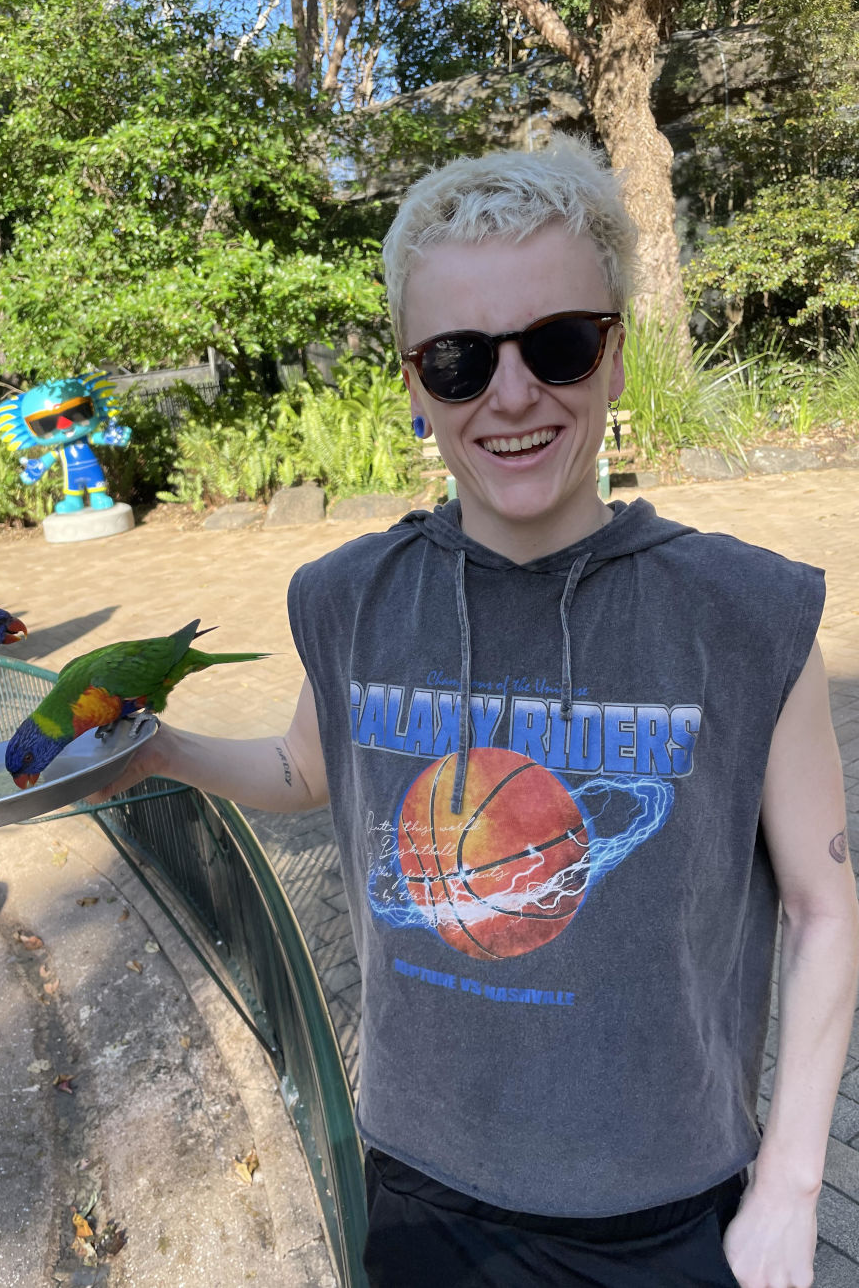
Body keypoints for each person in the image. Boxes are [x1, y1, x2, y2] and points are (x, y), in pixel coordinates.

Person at [92, 139, 859, 1288]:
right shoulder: (348, 597)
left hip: (660, 1210)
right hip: (419, 1185)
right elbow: (310, 769)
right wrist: (158, 750)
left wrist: (795, 1190)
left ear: (612, 354)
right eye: (457, 359)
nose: (510, 394)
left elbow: (823, 902)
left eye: (554, 343)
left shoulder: (744, 613)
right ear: (412, 380)